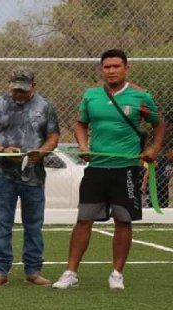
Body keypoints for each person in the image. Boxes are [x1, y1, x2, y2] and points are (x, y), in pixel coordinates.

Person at [53, 49, 165, 290]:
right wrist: (83, 145)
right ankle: (70, 272)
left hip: (126, 169)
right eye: (107, 67)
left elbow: (159, 124)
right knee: (84, 220)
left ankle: (116, 274)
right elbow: (80, 124)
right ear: (102, 69)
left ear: (126, 68)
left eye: (116, 66)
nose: (111, 71)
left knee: (123, 221)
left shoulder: (140, 97)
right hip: (96, 168)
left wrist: (154, 149)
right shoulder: (91, 95)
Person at [0, 67, 60, 287]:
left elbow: (53, 137)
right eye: (15, 89)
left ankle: (33, 271)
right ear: (10, 85)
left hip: (34, 176)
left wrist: (41, 152)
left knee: (33, 225)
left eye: (24, 90)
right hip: (4, 174)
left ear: (33, 87)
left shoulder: (45, 107)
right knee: (2, 224)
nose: (19, 94)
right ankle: (0, 271)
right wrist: (0, 149)